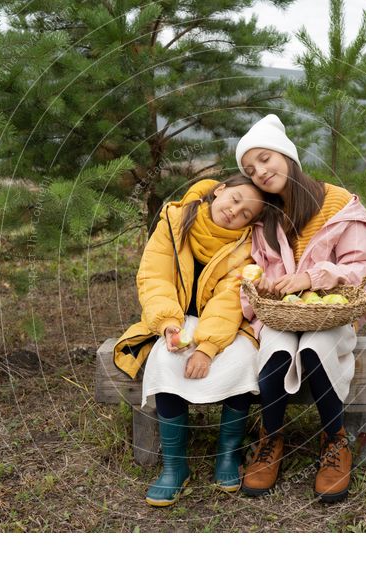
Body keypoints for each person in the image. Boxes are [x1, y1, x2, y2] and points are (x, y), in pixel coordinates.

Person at [235, 114, 366, 502]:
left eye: (265, 158)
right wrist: (266, 285)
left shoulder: (338, 205)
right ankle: (271, 439)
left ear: (287, 156)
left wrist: (315, 278)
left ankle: (335, 440)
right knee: (276, 348)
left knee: (315, 348)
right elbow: (257, 273)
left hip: (332, 315)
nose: (260, 172)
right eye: (251, 169)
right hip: (283, 316)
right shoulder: (265, 218)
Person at [113, 175, 278, 507]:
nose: (235, 212)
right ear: (219, 190)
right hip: (175, 317)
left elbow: (231, 299)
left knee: (242, 360)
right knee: (165, 359)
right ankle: (175, 467)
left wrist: (207, 347)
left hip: (227, 324)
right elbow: (154, 277)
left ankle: (227, 455)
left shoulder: (247, 245)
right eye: (234, 199)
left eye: (246, 213)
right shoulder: (175, 222)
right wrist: (169, 325)